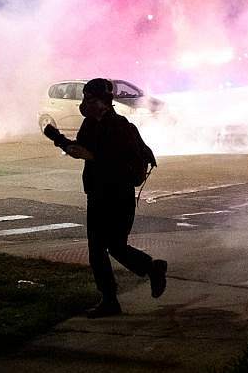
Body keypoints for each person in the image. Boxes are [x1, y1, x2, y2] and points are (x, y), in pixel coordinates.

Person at [43, 77, 167, 318]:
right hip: (97, 194)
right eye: (85, 99)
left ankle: (151, 268)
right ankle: (110, 298)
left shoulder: (118, 125)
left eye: (90, 99)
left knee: (116, 247)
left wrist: (93, 156)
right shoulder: (90, 125)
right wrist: (57, 138)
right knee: (98, 249)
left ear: (103, 101)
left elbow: (116, 161)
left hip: (118, 195)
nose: (85, 104)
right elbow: (80, 150)